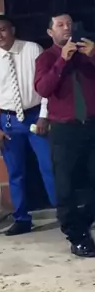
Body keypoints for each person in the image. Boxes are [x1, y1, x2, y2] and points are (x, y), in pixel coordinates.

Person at [0, 14, 56, 236]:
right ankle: (22, 219)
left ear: (12, 29)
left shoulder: (32, 49)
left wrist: (44, 115)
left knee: (49, 166)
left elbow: (46, 85)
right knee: (16, 172)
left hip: (35, 116)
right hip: (9, 121)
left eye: (2, 30)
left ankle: (64, 212)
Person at [35, 13, 95, 257]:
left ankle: (83, 223)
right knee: (65, 185)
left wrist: (94, 56)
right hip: (64, 129)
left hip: (91, 125)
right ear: (51, 32)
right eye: (60, 25)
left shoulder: (88, 53)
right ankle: (76, 235)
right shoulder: (46, 58)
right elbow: (43, 88)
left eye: (69, 23)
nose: (66, 28)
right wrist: (62, 60)